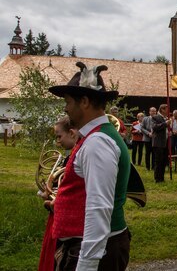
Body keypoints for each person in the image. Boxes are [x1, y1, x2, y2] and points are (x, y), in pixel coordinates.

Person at [48, 62, 131, 270]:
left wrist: (86, 264)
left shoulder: (97, 142)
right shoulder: (95, 137)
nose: (65, 108)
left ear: (84, 101)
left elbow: (99, 208)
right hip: (90, 247)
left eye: (68, 102)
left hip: (93, 252)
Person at [38, 116, 79, 271]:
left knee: (57, 259)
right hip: (58, 216)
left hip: (64, 218)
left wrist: (50, 196)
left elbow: (69, 189)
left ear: (72, 133)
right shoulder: (71, 156)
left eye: (59, 136)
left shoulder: (75, 157)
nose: (58, 141)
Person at [151, 104, 170, 183]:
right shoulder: (155, 117)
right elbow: (154, 127)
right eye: (167, 109)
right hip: (158, 143)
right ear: (162, 109)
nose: (168, 111)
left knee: (164, 161)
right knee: (158, 161)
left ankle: (162, 178)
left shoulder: (165, 118)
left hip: (164, 143)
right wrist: (165, 124)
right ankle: (157, 178)